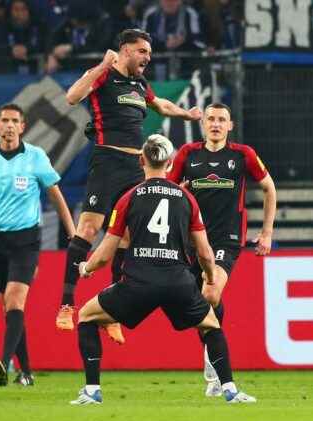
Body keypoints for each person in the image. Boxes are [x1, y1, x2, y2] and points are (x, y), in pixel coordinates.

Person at [70, 134, 256, 404]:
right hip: (177, 283)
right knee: (212, 326)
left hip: (138, 284)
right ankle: (229, 389)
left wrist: (87, 267)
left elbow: (105, 254)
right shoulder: (187, 198)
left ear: (141, 160)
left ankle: (91, 391)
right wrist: (210, 274)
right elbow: (205, 252)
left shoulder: (128, 198)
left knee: (86, 317)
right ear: (170, 164)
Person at [56, 28, 202, 342]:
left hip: (136, 167)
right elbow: (71, 97)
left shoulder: (139, 84)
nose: (147, 58)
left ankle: (111, 313)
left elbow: (161, 105)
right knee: (89, 229)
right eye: (142, 51)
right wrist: (101, 65)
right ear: (124, 50)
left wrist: (187, 115)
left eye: (149, 53)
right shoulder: (103, 76)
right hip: (107, 161)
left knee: (128, 236)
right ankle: (67, 304)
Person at [0, 103, 76, 386]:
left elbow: (56, 195)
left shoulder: (36, 157)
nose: (10, 125)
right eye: (5, 121)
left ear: (23, 127)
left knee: (14, 299)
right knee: (10, 307)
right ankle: (26, 372)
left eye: (15, 121)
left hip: (26, 239)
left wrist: (73, 232)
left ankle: (3, 360)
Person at [167, 102, 276, 397]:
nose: (216, 124)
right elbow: (166, 190)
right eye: (211, 119)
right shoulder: (188, 154)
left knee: (211, 292)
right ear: (203, 124)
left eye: (222, 120)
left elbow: (269, 188)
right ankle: (214, 359)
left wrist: (266, 232)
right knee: (196, 306)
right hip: (190, 242)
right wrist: (181, 193)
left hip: (226, 240)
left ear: (230, 126)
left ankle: (213, 369)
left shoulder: (243, 155)